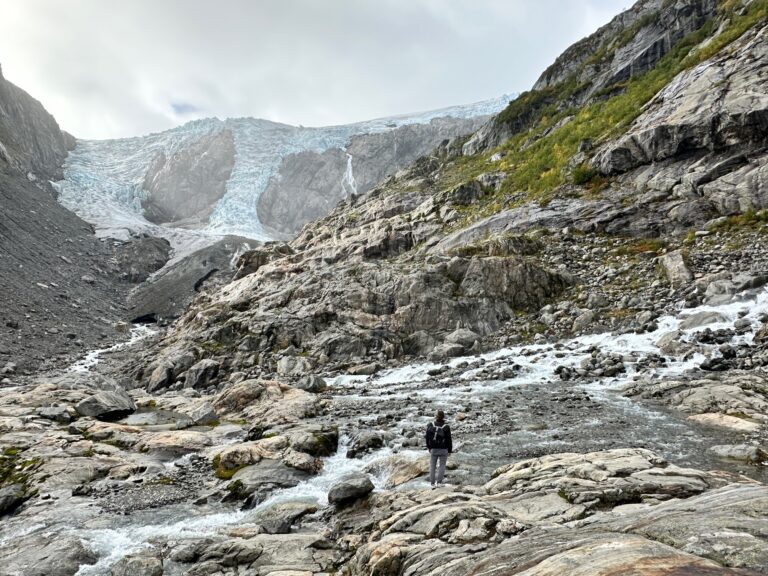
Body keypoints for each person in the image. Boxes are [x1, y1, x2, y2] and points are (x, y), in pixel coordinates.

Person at [425, 409, 452, 488]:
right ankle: (439, 483)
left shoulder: (430, 424)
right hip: (443, 449)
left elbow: (427, 437)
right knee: (442, 465)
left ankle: (432, 484)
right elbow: (449, 439)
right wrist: (449, 450)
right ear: (443, 417)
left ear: (436, 416)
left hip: (433, 448)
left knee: (432, 465)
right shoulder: (446, 427)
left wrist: (428, 447)